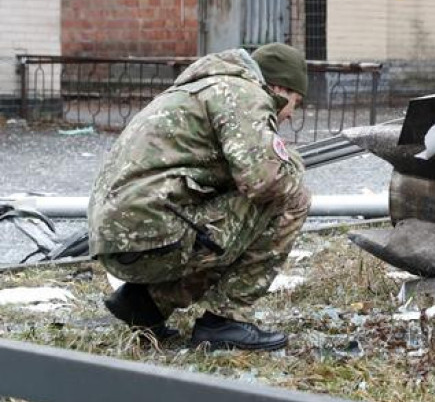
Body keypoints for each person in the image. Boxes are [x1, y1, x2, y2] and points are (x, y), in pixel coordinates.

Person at [88, 43, 311, 351]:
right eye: (295, 102)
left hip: (120, 238)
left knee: (233, 220)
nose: (289, 115)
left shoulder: (204, 87)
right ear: (280, 87)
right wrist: (289, 162)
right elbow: (264, 182)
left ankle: (146, 303)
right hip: (152, 235)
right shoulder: (244, 93)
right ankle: (225, 320)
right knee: (292, 194)